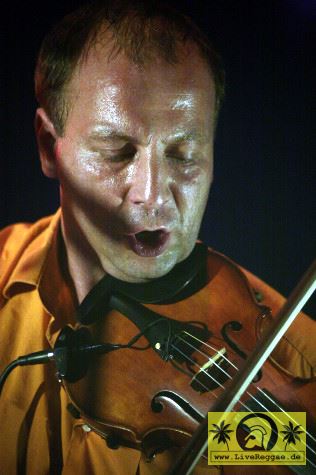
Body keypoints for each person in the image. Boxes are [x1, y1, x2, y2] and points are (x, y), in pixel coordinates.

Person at [0, 1, 315, 474]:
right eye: (116, 151)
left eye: (184, 153)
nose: (152, 195)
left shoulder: (295, 361)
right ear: (50, 147)